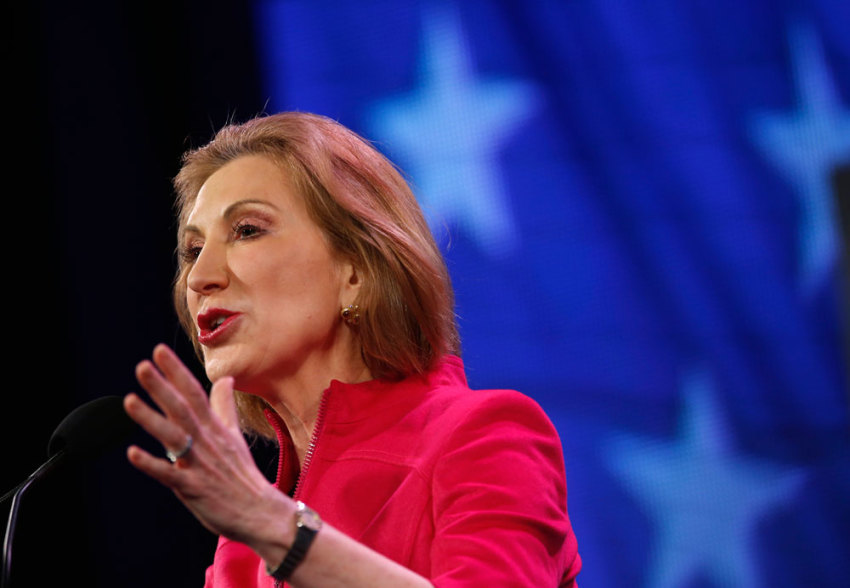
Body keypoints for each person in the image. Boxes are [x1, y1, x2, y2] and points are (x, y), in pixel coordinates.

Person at [123, 112, 581, 587]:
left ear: (357, 272)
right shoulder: (241, 546)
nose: (200, 278)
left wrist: (278, 531)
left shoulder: (483, 438)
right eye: (193, 251)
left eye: (247, 230)